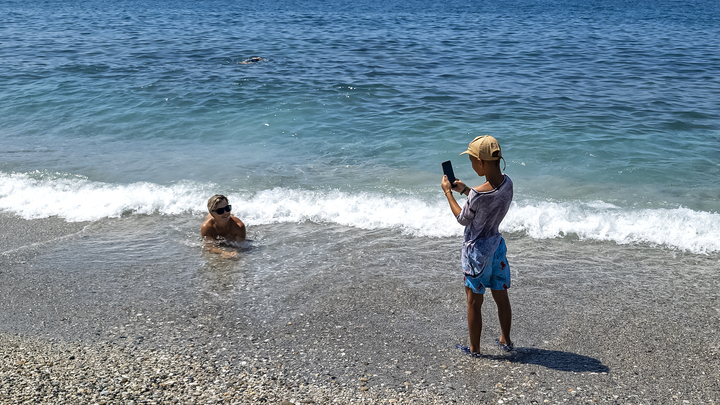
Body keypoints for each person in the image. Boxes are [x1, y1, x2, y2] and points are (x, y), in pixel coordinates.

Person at [441, 135, 514, 355]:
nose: (472, 165)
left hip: (477, 254)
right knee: (501, 296)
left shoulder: (477, 194)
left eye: (472, 160)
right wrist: (465, 191)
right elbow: (487, 200)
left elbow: (463, 218)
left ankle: (474, 349)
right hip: (496, 246)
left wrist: (448, 192)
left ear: (481, 163)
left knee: (474, 302)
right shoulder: (508, 182)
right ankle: (505, 340)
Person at [201, 194, 246, 259]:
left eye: (227, 208)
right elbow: (209, 247)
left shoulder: (238, 226)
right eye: (220, 211)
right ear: (212, 212)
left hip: (224, 219)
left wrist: (236, 251)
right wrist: (222, 252)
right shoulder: (207, 227)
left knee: (229, 216)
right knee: (210, 218)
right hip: (213, 218)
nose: (225, 212)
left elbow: (242, 246)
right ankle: (209, 215)